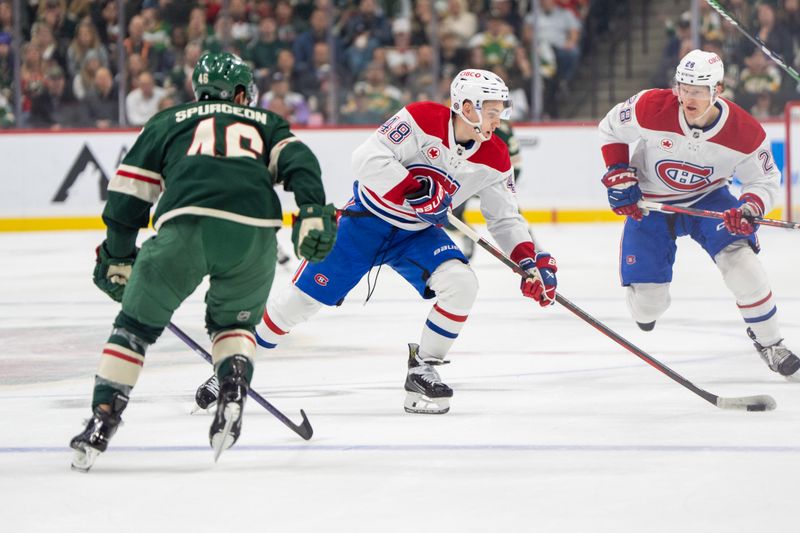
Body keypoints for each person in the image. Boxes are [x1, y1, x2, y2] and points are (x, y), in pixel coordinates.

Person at [195, 69, 558, 415]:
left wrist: (529, 262)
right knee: (298, 304)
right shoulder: (421, 119)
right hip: (365, 224)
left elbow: (504, 218)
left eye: (501, 112)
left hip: (415, 235)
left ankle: (423, 369)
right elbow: (366, 158)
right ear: (467, 108)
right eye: (493, 112)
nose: (499, 121)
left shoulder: (496, 157)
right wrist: (413, 189)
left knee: (462, 284)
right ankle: (230, 366)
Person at [69, 52, 337, 472]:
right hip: (253, 236)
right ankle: (231, 387)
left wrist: (118, 253)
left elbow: (127, 196)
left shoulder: (167, 121)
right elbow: (299, 163)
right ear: (239, 92)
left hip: (184, 230)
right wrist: (312, 209)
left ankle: (103, 420)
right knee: (235, 325)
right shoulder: (266, 122)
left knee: (134, 329)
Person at [598, 49, 799, 378]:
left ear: (717, 91)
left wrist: (748, 208)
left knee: (743, 264)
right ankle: (647, 303)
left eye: (697, 90)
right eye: (683, 87)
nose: (687, 97)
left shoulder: (743, 130)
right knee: (649, 306)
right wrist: (619, 172)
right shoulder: (651, 106)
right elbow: (610, 129)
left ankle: (770, 342)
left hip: (709, 198)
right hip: (650, 202)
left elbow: (764, 179)